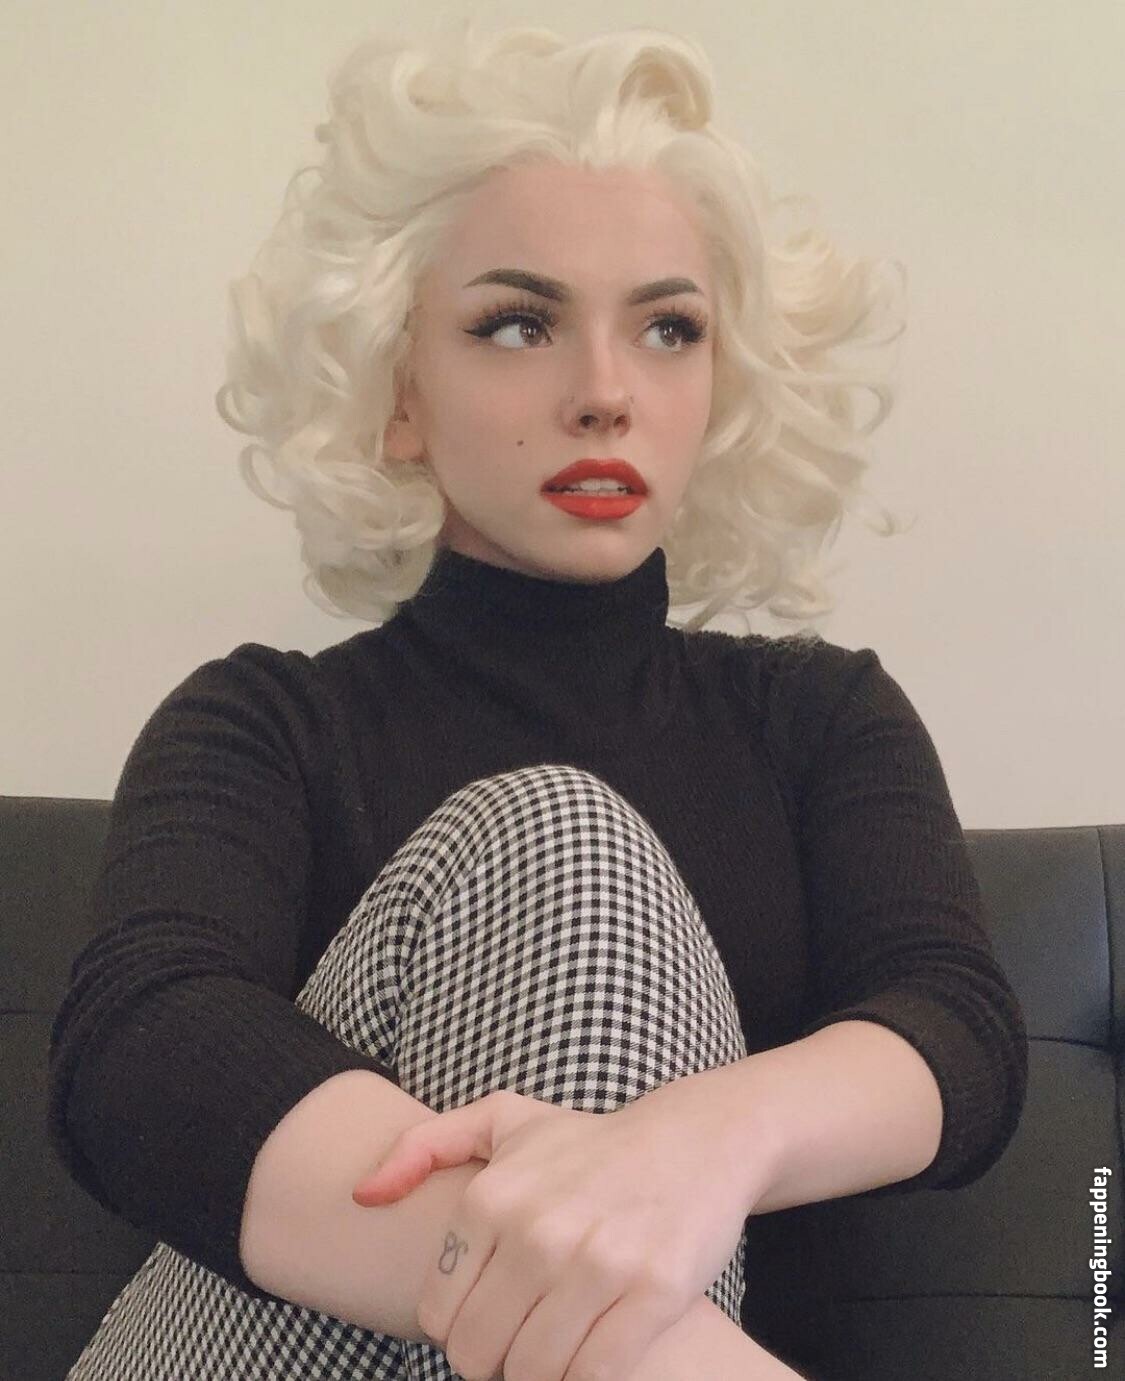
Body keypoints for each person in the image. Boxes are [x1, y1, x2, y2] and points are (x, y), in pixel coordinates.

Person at [47, 16, 1028, 1381]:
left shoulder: (821, 717)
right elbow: (142, 1052)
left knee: (571, 850)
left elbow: (955, 1032)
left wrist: (698, 1143)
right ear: (399, 392)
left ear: (719, 386)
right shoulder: (260, 723)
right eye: (518, 324)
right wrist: (612, 1306)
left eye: (668, 329)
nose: (605, 394)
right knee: (559, 838)